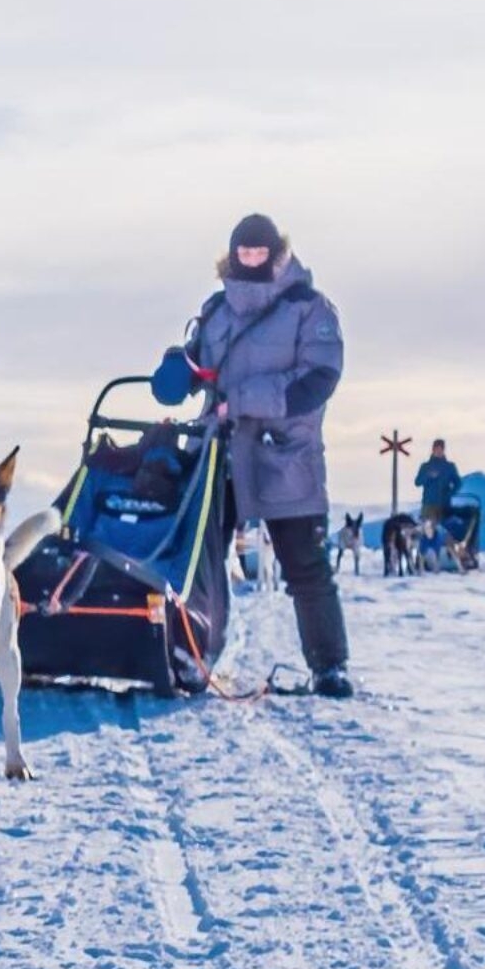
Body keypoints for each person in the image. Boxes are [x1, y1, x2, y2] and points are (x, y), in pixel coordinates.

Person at [187, 213, 352, 696]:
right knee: (203, 560)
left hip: (286, 455)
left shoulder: (310, 309)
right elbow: (199, 369)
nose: (253, 260)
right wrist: (178, 372)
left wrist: (243, 400)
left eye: (261, 252)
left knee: (304, 564)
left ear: (278, 253)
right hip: (221, 452)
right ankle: (195, 653)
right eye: (245, 252)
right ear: (233, 254)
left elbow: (318, 380)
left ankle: (329, 666)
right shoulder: (217, 309)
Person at [415, 439, 462, 532]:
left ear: (444, 450)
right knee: (428, 532)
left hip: (444, 505)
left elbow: (458, 483)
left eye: (441, 449)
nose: (438, 451)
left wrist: (450, 493)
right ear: (432, 450)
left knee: (446, 532)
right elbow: (417, 482)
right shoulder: (425, 466)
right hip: (429, 505)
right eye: (436, 449)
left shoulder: (449, 466)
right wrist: (428, 475)